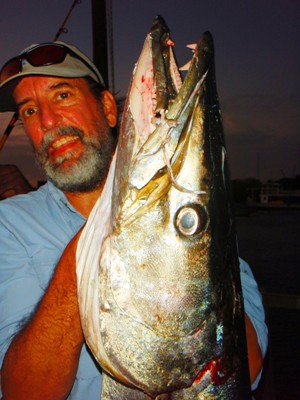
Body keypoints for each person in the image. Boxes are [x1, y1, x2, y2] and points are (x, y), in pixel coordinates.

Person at [0, 41, 268, 399]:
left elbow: (245, 366)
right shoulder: (10, 224)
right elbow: (23, 392)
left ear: (109, 109)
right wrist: (101, 240)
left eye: (62, 96)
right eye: (30, 111)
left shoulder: (204, 222)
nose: (48, 122)